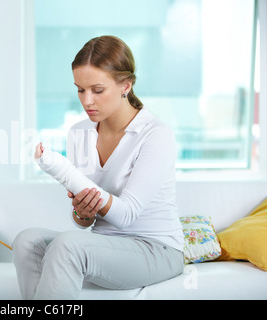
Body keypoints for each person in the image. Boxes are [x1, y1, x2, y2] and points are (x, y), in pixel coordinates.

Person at [13, 35, 184, 300]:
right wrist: (83, 213)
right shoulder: (79, 133)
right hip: (106, 245)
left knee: (69, 246)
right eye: (80, 89)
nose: (86, 101)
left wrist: (67, 174)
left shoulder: (156, 134)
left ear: (125, 85)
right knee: (27, 240)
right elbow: (85, 223)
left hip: (156, 250)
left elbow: (127, 214)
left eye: (97, 90)